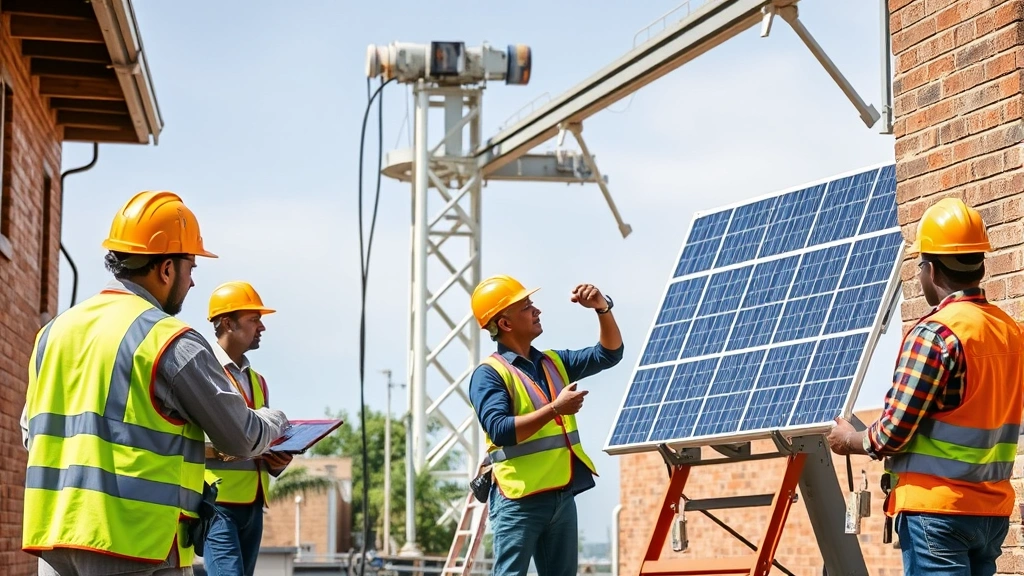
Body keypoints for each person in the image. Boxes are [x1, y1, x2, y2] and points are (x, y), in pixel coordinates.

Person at [22, 191, 291, 576]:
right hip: (133, 542)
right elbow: (241, 437)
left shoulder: (53, 333)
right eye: (191, 267)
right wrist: (277, 421)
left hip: (55, 540)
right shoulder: (169, 339)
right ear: (166, 269)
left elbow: (33, 433)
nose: (193, 282)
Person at [826, 197, 1023, 576]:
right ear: (980, 264)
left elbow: (892, 433)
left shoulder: (935, 334)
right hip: (991, 513)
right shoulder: (1010, 332)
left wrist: (849, 439)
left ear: (930, 269)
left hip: (937, 512)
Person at [468, 275, 623, 576]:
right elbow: (501, 430)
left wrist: (602, 308)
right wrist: (555, 409)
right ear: (505, 324)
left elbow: (609, 353)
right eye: (526, 307)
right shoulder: (489, 374)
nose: (536, 310)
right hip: (518, 500)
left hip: (561, 496)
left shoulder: (554, 362)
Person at [203, 281, 292, 576]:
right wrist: (245, 448)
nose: (262, 327)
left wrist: (277, 458)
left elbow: (260, 438)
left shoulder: (258, 381)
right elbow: (196, 440)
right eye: (254, 319)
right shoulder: (203, 371)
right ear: (228, 323)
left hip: (253, 505)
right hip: (218, 504)